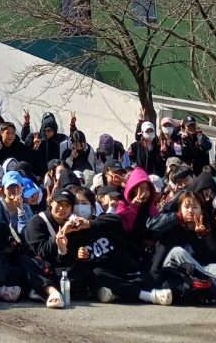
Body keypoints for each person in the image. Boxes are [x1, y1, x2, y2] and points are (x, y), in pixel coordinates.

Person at [26, 186, 172, 307]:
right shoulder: (70, 230)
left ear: (92, 206)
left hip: (126, 270)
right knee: (94, 274)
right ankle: (144, 296)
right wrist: (76, 254)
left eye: (83, 203)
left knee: (159, 277)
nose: (63, 208)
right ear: (51, 202)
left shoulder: (99, 222)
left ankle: (112, 293)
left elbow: (117, 222)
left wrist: (90, 224)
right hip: (103, 275)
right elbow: (61, 259)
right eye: (77, 203)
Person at [20, 111, 67, 179]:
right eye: (47, 130)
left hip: (53, 176)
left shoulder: (60, 139)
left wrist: (73, 127)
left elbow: (72, 141)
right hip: (36, 176)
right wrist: (35, 148)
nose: (48, 132)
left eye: (51, 130)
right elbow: (25, 141)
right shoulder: (34, 137)